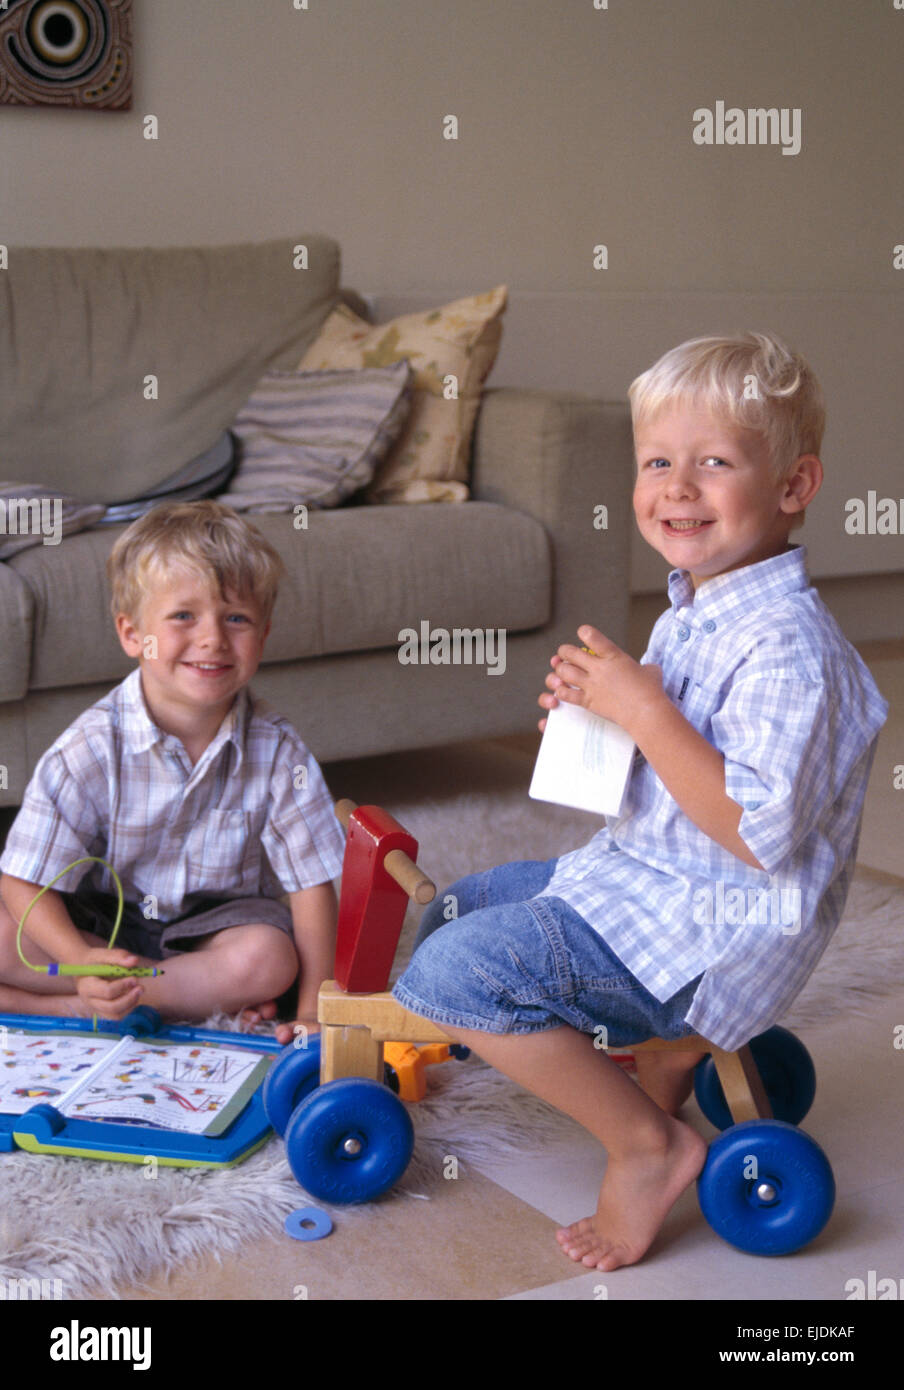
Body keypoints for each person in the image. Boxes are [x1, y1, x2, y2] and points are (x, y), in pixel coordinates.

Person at [391, 332, 889, 1272]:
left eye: (714, 464)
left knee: (455, 974)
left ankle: (649, 1146)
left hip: (713, 931)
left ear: (794, 486)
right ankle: (663, 1060)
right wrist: (599, 725)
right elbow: (668, 771)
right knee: (457, 905)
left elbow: (753, 832)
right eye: (658, 462)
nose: (677, 488)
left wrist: (647, 708)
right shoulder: (690, 609)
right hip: (641, 880)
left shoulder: (792, 652)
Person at [0, 501, 344, 1046]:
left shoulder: (279, 752)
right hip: (102, 919)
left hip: (215, 928)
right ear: (133, 635)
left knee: (271, 958)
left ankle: (87, 1004)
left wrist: (312, 1011)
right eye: (184, 616)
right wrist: (81, 962)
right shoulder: (88, 748)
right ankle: (86, 997)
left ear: (264, 635)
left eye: (237, 618)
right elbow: (24, 878)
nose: (212, 638)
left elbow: (312, 888)